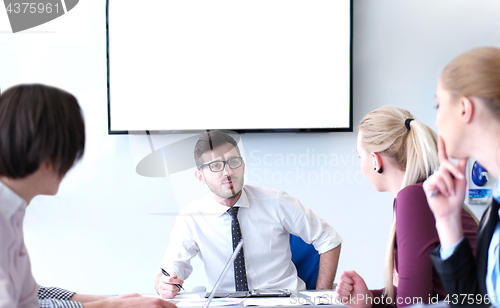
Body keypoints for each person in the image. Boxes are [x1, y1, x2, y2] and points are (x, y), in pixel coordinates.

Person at [0, 84, 174, 308]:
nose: (71, 165)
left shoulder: (11, 211)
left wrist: (113, 301)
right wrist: (113, 306)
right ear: (47, 154)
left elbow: (30, 296)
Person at [154, 130, 342, 298]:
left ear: (243, 165)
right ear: (200, 177)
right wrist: (163, 283)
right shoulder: (191, 217)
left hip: (284, 301)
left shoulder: (275, 202)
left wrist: (322, 297)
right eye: (216, 166)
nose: (228, 172)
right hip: (226, 304)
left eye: (233, 162)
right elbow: (172, 267)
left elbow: (329, 239)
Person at [335, 106, 478, 308]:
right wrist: (369, 299)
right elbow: (416, 296)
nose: (361, 165)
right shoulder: (420, 195)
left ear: (375, 160)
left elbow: (413, 303)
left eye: (361, 157)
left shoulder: (414, 198)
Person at [423, 46, 500, 307]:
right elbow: (474, 302)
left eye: (438, 104)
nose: (435, 121)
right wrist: (447, 220)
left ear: (464, 108)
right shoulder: (494, 210)